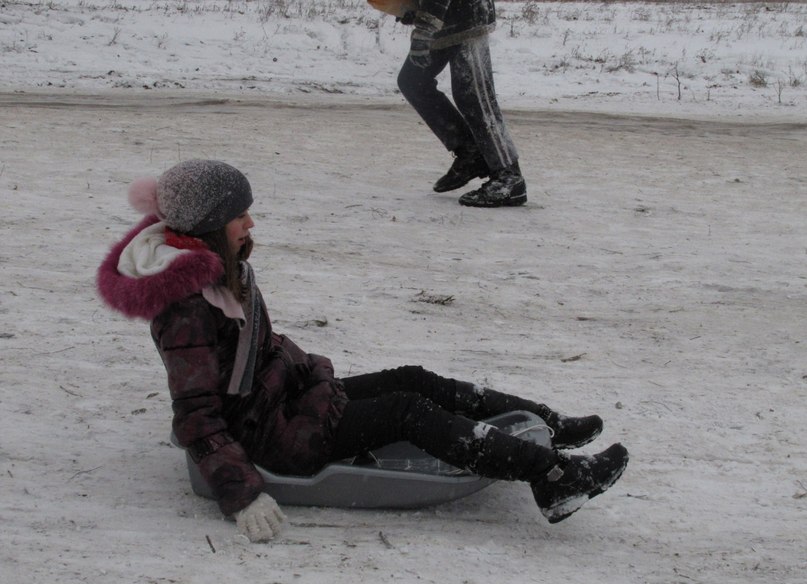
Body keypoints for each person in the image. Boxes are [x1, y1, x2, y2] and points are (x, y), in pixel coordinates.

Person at [97, 160, 628, 543]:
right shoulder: (186, 307)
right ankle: (554, 478)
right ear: (210, 223)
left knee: (412, 377)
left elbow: (255, 350)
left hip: (286, 401)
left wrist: (304, 371)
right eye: (241, 216)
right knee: (406, 411)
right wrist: (241, 492)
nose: (251, 224)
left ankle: (548, 424)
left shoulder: (219, 272)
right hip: (269, 435)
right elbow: (196, 416)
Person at [388, 0, 526, 207]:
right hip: (443, 17)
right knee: (413, 81)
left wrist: (425, 29)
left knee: (475, 97)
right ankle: (470, 152)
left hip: (467, 15)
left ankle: (509, 176)